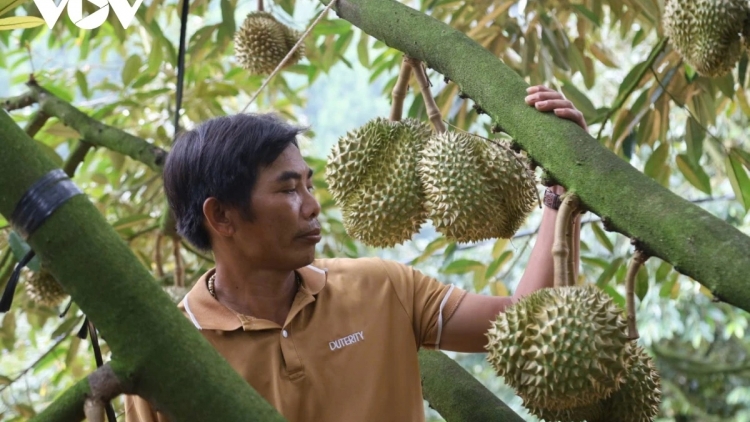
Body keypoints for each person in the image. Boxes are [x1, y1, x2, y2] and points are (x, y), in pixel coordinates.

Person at [123, 85, 586, 422]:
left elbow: (526, 321)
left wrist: (563, 190)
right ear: (221, 216)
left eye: (308, 184)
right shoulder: (169, 359)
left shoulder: (381, 287)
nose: (312, 206)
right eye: (288, 190)